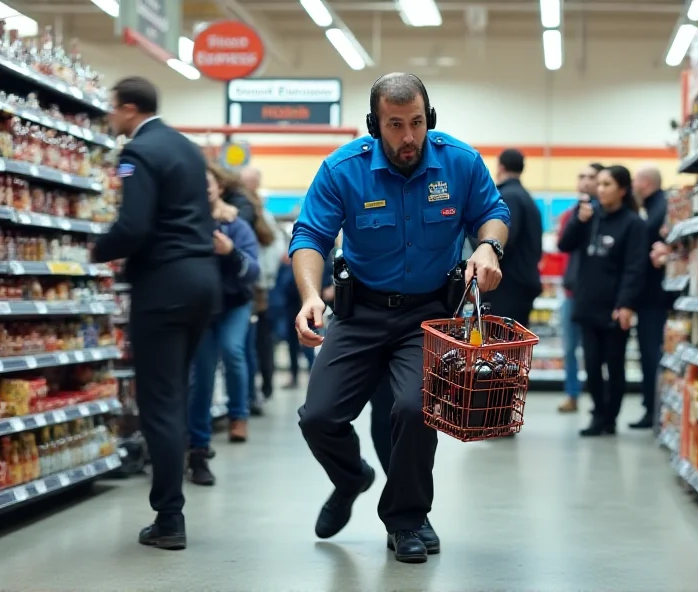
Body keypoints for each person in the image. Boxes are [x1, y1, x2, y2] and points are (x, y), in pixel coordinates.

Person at [289, 72, 509, 564]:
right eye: (395, 125)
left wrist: (490, 246)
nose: (408, 137)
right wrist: (309, 295)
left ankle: (406, 517)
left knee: (413, 410)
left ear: (429, 118)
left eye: (416, 123)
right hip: (360, 311)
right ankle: (352, 479)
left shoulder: (460, 162)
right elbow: (310, 237)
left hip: (428, 315)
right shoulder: (342, 169)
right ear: (374, 125)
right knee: (319, 418)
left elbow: (492, 212)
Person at [92, 76, 221, 550]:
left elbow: (134, 226)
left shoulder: (138, 153)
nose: (111, 119)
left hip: (164, 286)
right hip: (202, 282)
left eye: (112, 109)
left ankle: (169, 519)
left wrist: (93, 250)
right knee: (176, 396)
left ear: (128, 109)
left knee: (160, 404)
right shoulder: (187, 148)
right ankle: (170, 509)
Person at [557, 165, 648, 437]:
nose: (601, 189)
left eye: (607, 184)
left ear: (622, 190)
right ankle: (597, 413)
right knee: (593, 364)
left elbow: (635, 267)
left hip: (615, 306)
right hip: (587, 303)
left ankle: (610, 417)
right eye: (600, 184)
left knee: (614, 363)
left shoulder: (634, 224)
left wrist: (626, 304)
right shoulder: (589, 216)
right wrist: (578, 220)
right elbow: (564, 245)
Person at [186, 164, 260, 486]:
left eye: (209, 183)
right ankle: (198, 447)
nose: (204, 189)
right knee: (200, 375)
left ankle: (238, 416)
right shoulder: (185, 222)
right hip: (201, 308)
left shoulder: (236, 224)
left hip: (234, 305)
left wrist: (229, 252)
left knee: (233, 351)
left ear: (219, 186)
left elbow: (252, 270)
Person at [557, 163, 603, 413]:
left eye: (591, 177)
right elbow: (563, 245)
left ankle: (598, 398)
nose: (585, 181)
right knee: (569, 349)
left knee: (595, 351)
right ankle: (572, 394)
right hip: (571, 292)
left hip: (594, 295)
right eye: (581, 176)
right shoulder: (569, 215)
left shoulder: (604, 214)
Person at [477, 148, 542, 326]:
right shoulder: (526, 197)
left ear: (500, 167)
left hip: (508, 286)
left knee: (503, 347)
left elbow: (504, 239)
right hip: (522, 283)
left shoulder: (508, 197)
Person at [240, 166, 285, 407]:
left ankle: (257, 391)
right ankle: (257, 390)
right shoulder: (255, 211)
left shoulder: (257, 213)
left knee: (256, 341)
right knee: (255, 341)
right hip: (257, 284)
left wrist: (264, 279)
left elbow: (272, 248)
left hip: (257, 287)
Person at [630, 165, 669, 429]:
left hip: (653, 299)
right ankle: (652, 409)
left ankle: (652, 411)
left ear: (644, 183)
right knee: (650, 353)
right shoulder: (657, 207)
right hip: (653, 297)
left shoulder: (659, 209)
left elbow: (643, 240)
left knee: (651, 353)